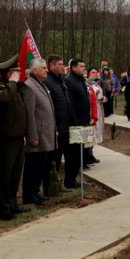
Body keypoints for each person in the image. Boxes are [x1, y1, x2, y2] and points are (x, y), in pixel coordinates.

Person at [0, 55, 30, 220]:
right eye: (16, 71)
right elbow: (4, 98)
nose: (20, 73)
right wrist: (13, 82)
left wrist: (24, 132)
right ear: (9, 73)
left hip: (18, 136)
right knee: (5, 174)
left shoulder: (15, 87)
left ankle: (13, 203)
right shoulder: (0, 87)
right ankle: (3, 208)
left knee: (15, 173)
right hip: (6, 138)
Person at [21, 57, 57, 205]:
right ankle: (29, 195)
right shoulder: (29, 86)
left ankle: (35, 191)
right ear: (34, 70)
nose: (46, 70)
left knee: (40, 166)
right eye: (43, 68)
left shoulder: (40, 84)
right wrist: (32, 136)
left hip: (45, 134)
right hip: (37, 135)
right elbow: (29, 114)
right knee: (33, 166)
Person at [44, 54, 80, 190]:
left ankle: (58, 184)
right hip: (57, 127)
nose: (62, 67)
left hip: (66, 125)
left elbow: (67, 103)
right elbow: (50, 107)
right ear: (51, 65)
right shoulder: (48, 81)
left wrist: (73, 122)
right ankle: (51, 186)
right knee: (54, 159)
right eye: (59, 64)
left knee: (63, 157)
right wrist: (56, 127)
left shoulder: (60, 80)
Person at [64, 59, 92, 173]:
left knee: (82, 148)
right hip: (76, 122)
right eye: (81, 66)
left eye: (84, 66)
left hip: (84, 120)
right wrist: (75, 121)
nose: (83, 68)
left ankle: (78, 170)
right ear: (73, 67)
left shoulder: (81, 80)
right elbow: (70, 103)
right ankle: (71, 177)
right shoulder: (69, 81)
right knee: (74, 152)